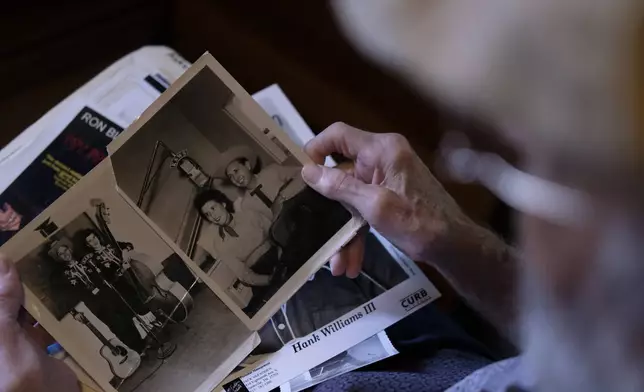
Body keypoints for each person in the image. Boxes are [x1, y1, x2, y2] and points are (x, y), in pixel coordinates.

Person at [50, 242, 148, 355]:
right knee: (117, 326)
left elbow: (103, 271)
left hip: (109, 293)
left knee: (127, 318)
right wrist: (73, 312)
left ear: (70, 249)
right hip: (96, 304)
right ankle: (139, 351)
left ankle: (143, 344)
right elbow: (65, 295)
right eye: (61, 254)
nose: (65, 254)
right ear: (59, 258)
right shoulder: (64, 275)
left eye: (65, 250)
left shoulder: (85, 261)